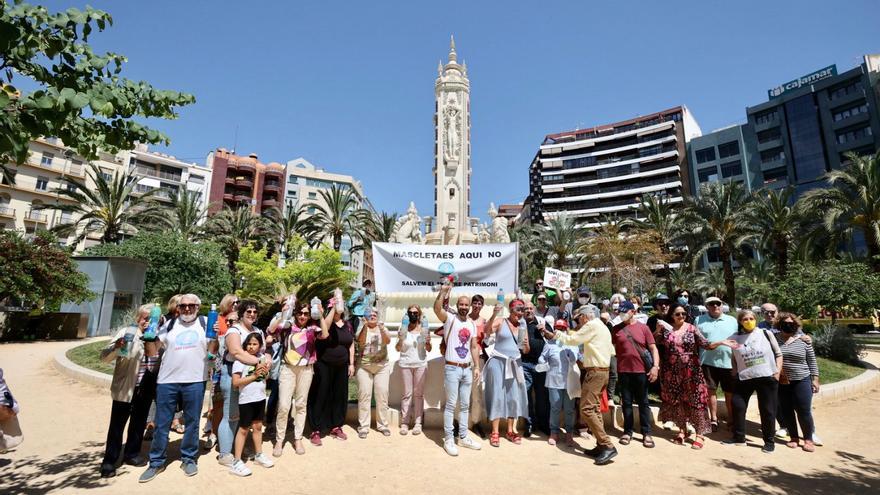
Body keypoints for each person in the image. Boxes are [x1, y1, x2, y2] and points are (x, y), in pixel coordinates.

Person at [139, 294, 210, 483]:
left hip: (195, 380)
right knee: (162, 423)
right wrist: (148, 336)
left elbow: (212, 351)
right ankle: (156, 462)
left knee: (193, 423)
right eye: (183, 305)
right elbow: (152, 352)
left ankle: (188, 458)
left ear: (198, 306)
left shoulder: (205, 323)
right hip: (167, 381)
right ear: (178, 307)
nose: (187, 309)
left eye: (191, 305)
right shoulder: (168, 325)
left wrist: (216, 336)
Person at [656, 303, 734, 450]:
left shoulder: (691, 329)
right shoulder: (666, 329)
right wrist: (657, 330)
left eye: (684, 314)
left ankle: (700, 433)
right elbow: (654, 342)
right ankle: (682, 430)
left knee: (697, 400)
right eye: (678, 314)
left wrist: (722, 342)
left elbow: (706, 345)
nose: (681, 317)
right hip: (671, 372)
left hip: (691, 371)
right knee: (677, 401)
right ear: (671, 315)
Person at [99, 304, 159, 478]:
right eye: (145, 318)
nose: (148, 322)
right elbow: (104, 357)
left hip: (145, 388)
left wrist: (152, 338)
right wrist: (117, 346)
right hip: (125, 388)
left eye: (151, 318)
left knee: (138, 424)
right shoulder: (127, 332)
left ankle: (132, 454)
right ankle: (109, 461)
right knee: (117, 426)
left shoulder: (157, 336)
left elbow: (156, 360)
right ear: (138, 318)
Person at [553, 304, 617, 465]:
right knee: (594, 408)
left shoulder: (591, 325)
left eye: (578, 319)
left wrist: (557, 334)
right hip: (602, 371)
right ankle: (601, 445)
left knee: (586, 408)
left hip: (595, 372)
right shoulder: (602, 327)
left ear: (584, 316)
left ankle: (607, 444)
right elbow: (611, 351)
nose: (578, 323)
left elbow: (572, 340)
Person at [216, 300, 270, 467]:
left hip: (254, 378)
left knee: (247, 416)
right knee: (231, 415)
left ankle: (242, 448)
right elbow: (236, 351)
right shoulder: (234, 330)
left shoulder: (258, 331)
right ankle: (225, 453)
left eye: (255, 312)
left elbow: (264, 350)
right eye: (248, 311)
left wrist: (266, 359)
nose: (252, 314)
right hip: (235, 372)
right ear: (241, 313)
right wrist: (259, 362)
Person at [722, 310, 783, 453]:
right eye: (745, 319)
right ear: (740, 322)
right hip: (744, 378)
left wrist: (777, 372)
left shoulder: (765, 334)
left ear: (756, 319)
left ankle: (769, 441)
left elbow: (778, 353)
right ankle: (739, 438)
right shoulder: (735, 338)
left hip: (767, 377)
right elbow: (734, 356)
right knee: (737, 405)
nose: (748, 321)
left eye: (751, 318)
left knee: (767, 410)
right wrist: (734, 370)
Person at [433, 281, 483, 456]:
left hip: (467, 369)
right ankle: (448, 438)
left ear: (470, 307)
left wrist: (476, 366)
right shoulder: (450, 318)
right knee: (451, 405)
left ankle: (463, 437)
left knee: (465, 406)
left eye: (466, 305)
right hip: (452, 368)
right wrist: (442, 292)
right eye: (461, 304)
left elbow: (474, 346)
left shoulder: (471, 324)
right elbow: (437, 309)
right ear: (457, 305)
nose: (464, 307)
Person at [272, 301, 319, 456]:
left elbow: (325, 334)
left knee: (301, 405)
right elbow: (271, 330)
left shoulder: (312, 329)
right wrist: (282, 313)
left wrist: (321, 313)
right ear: (295, 313)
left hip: (306, 369)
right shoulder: (288, 326)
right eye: (300, 313)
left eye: (306, 313)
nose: (303, 316)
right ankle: (280, 440)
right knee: (284, 405)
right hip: (288, 368)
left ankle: (297, 438)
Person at [611, 301, 660, 448]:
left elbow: (653, 349)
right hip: (624, 371)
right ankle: (627, 431)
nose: (621, 314)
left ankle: (646, 433)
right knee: (626, 403)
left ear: (633, 312)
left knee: (643, 403)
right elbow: (612, 349)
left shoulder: (644, 328)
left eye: (624, 311)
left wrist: (655, 367)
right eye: (619, 311)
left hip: (641, 371)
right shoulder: (616, 329)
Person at [308, 295, 355, 444]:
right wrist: (333, 307)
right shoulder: (323, 322)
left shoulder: (347, 324)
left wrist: (351, 363)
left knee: (339, 396)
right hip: (324, 364)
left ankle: (336, 425)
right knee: (321, 394)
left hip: (342, 365)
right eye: (335, 306)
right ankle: (315, 428)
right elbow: (325, 330)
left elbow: (351, 344)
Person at [484, 298, 530, 447]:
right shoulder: (501, 321)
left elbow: (526, 350)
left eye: (522, 310)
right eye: (518, 309)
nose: (520, 313)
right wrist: (493, 315)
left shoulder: (523, 325)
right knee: (497, 395)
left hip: (515, 363)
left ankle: (511, 430)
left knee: (513, 397)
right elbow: (486, 331)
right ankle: (495, 432)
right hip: (498, 362)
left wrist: (526, 345)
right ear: (511, 310)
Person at [228, 332, 274, 476]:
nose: (251, 347)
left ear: (260, 346)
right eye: (249, 344)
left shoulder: (261, 359)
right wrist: (253, 376)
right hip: (246, 400)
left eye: (255, 344)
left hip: (260, 398)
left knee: (258, 426)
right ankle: (236, 462)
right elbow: (235, 383)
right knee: (243, 429)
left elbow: (265, 377)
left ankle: (259, 454)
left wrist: (265, 372)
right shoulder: (239, 361)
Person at [776, 312, 820, 452]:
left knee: (804, 411)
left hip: (802, 379)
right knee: (787, 410)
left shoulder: (804, 340)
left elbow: (812, 361)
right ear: (779, 324)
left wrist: (815, 379)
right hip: (782, 381)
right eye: (785, 323)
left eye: (791, 323)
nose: (788, 325)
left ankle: (808, 439)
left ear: (796, 325)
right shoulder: (773, 340)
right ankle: (794, 437)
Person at [695, 296, 737, 432]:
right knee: (710, 392)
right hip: (707, 362)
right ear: (707, 306)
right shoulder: (699, 320)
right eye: (711, 304)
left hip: (729, 362)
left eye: (717, 303)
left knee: (729, 393)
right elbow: (696, 341)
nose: (715, 306)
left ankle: (731, 419)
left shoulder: (732, 320)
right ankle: (713, 419)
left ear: (721, 304)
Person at [204, 294, 239, 451]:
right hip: (219, 364)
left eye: (238, 302)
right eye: (234, 302)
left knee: (235, 403)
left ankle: (232, 436)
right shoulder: (216, 319)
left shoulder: (241, 320)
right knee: (217, 402)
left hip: (236, 367)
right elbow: (210, 343)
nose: (236, 305)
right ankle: (214, 433)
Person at [539, 319, 579, 447]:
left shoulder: (573, 344)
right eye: (558, 328)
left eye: (562, 329)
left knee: (569, 409)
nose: (560, 331)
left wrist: (568, 350)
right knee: (555, 408)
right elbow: (542, 357)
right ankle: (554, 432)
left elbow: (575, 358)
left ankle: (569, 433)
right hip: (553, 380)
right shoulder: (549, 344)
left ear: (566, 330)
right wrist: (542, 363)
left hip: (569, 381)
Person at [355, 309, 392, 438]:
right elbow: (360, 341)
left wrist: (381, 329)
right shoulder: (361, 328)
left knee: (382, 395)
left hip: (382, 367)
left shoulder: (383, 327)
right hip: (364, 366)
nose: (373, 315)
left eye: (375, 314)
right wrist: (365, 326)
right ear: (365, 317)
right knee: (364, 395)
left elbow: (388, 341)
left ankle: (382, 425)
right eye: (370, 314)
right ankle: (364, 427)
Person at [396, 305, 432, 436]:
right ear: (407, 314)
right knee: (407, 394)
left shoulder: (424, 329)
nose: (413, 315)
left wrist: (428, 341)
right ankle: (405, 422)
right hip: (405, 364)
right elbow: (397, 348)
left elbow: (428, 349)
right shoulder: (403, 328)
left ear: (419, 314)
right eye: (410, 312)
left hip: (420, 364)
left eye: (415, 313)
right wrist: (400, 339)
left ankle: (418, 423)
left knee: (418, 394)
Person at [521, 302, 550, 437]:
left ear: (534, 310)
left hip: (541, 365)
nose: (528, 310)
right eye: (525, 309)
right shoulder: (520, 324)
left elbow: (553, 337)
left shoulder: (542, 322)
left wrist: (544, 331)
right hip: (525, 364)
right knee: (526, 395)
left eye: (530, 308)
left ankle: (544, 425)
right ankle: (529, 424)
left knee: (542, 396)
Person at [468, 295, 488, 438]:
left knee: (477, 394)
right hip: (462, 358)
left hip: (478, 360)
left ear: (482, 306)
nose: (477, 305)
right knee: (460, 393)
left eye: (479, 303)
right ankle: (458, 422)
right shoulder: (464, 318)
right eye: (475, 302)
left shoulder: (484, 322)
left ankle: (476, 422)